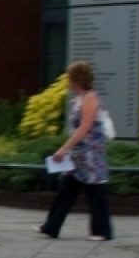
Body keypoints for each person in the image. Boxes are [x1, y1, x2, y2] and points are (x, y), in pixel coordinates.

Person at [36, 61, 113, 241]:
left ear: (78, 79)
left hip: (90, 154)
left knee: (95, 190)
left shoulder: (90, 98)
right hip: (79, 154)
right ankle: (51, 227)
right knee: (66, 189)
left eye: (70, 78)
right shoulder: (81, 98)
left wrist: (63, 149)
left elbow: (84, 127)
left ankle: (102, 231)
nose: (68, 82)